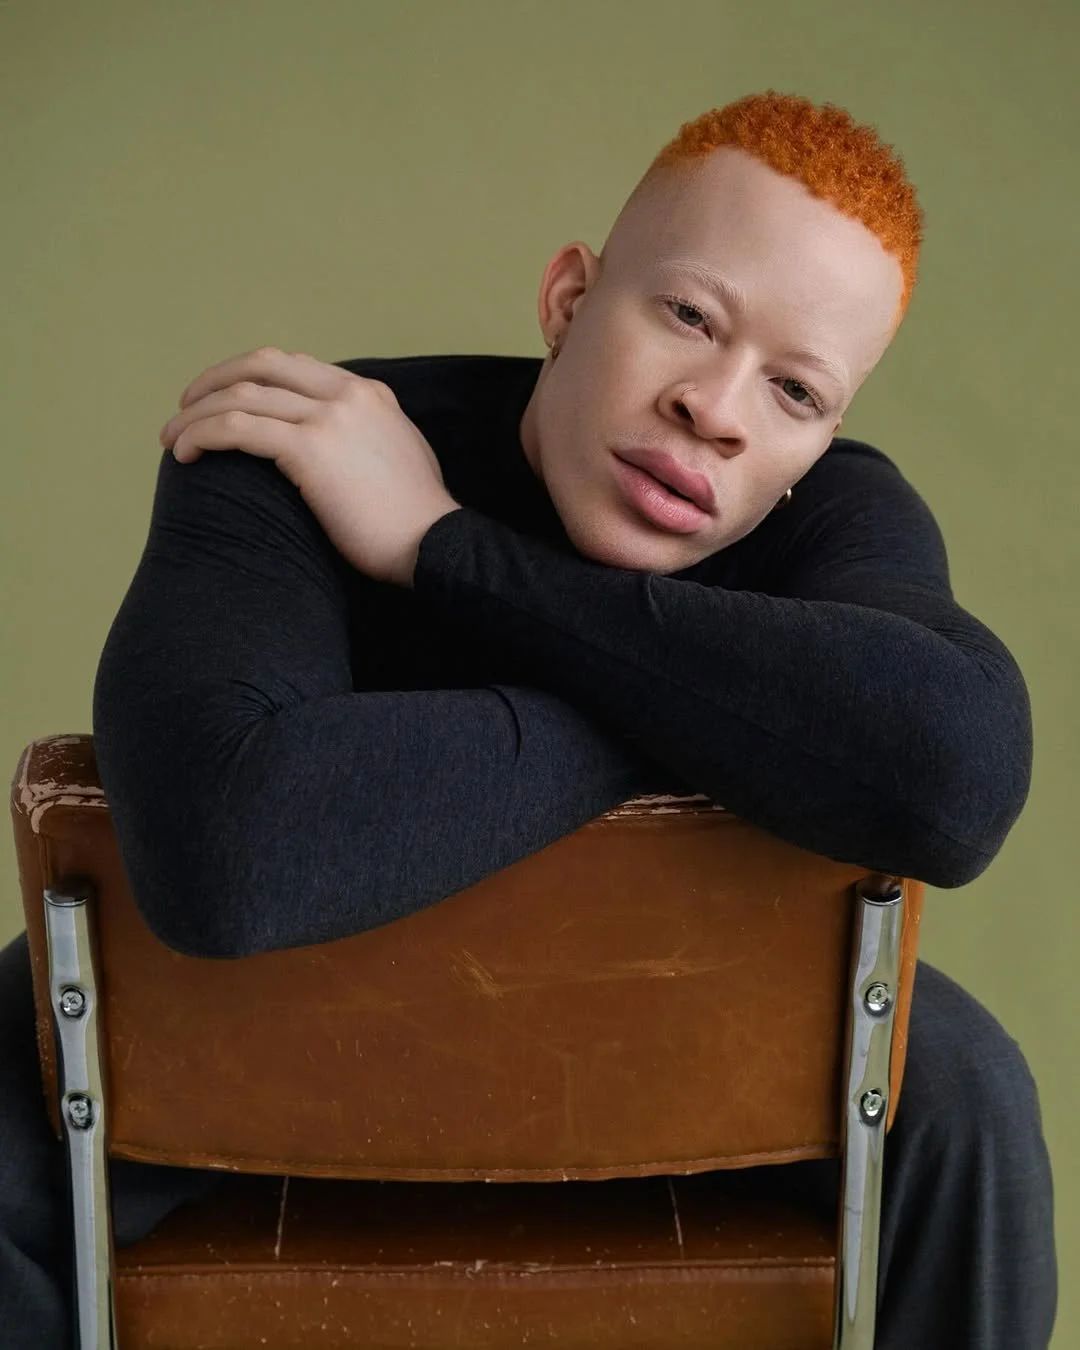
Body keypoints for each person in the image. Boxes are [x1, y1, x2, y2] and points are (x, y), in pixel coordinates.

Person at [0, 90, 1055, 1346]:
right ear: (568, 298)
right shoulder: (309, 445)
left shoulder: (831, 513)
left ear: (821, 440)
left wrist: (445, 553)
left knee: (963, 1090)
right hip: (262, 1038)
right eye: (689, 316)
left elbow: (956, 780)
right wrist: (718, 716)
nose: (719, 410)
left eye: (797, 391)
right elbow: (227, 852)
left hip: (676, 1034)